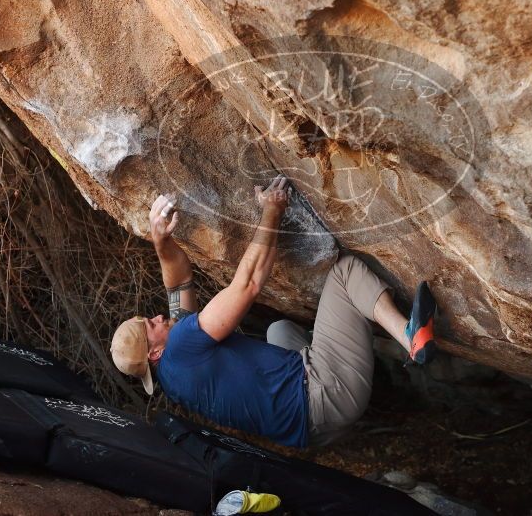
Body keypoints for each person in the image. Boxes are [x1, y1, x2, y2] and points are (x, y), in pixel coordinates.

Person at [110, 175, 437, 447]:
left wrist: (161, 244)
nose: (155, 317)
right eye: (147, 325)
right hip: (326, 396)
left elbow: (179, 283)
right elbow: (248, 284)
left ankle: (342, 352)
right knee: (347, 272)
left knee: (279, 330)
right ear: (154, 352)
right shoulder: (180, 344)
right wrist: (272, 211)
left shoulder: (173, 375)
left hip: (315, 431)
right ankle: (410, 336)